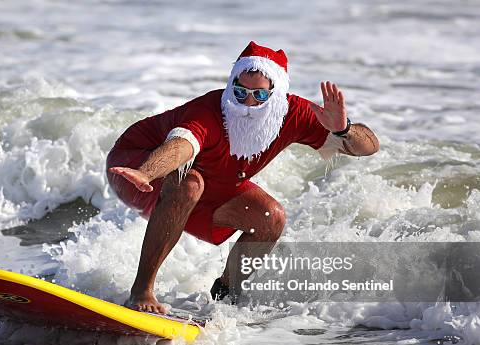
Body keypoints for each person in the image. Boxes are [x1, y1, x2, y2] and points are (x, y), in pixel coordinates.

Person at [106, 41, 379, 314]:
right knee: (189, 184)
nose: (248, 103)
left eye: (259, 96)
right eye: (240, 92)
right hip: (135, 167)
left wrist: (343, 129)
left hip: (205, 185)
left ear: (277, 93)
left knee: (270, 217)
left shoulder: (294, 113)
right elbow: (181, 146)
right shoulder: (210, 110)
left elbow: (368, 148)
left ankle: (225, 297)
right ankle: (141, 292)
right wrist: (146, 172)